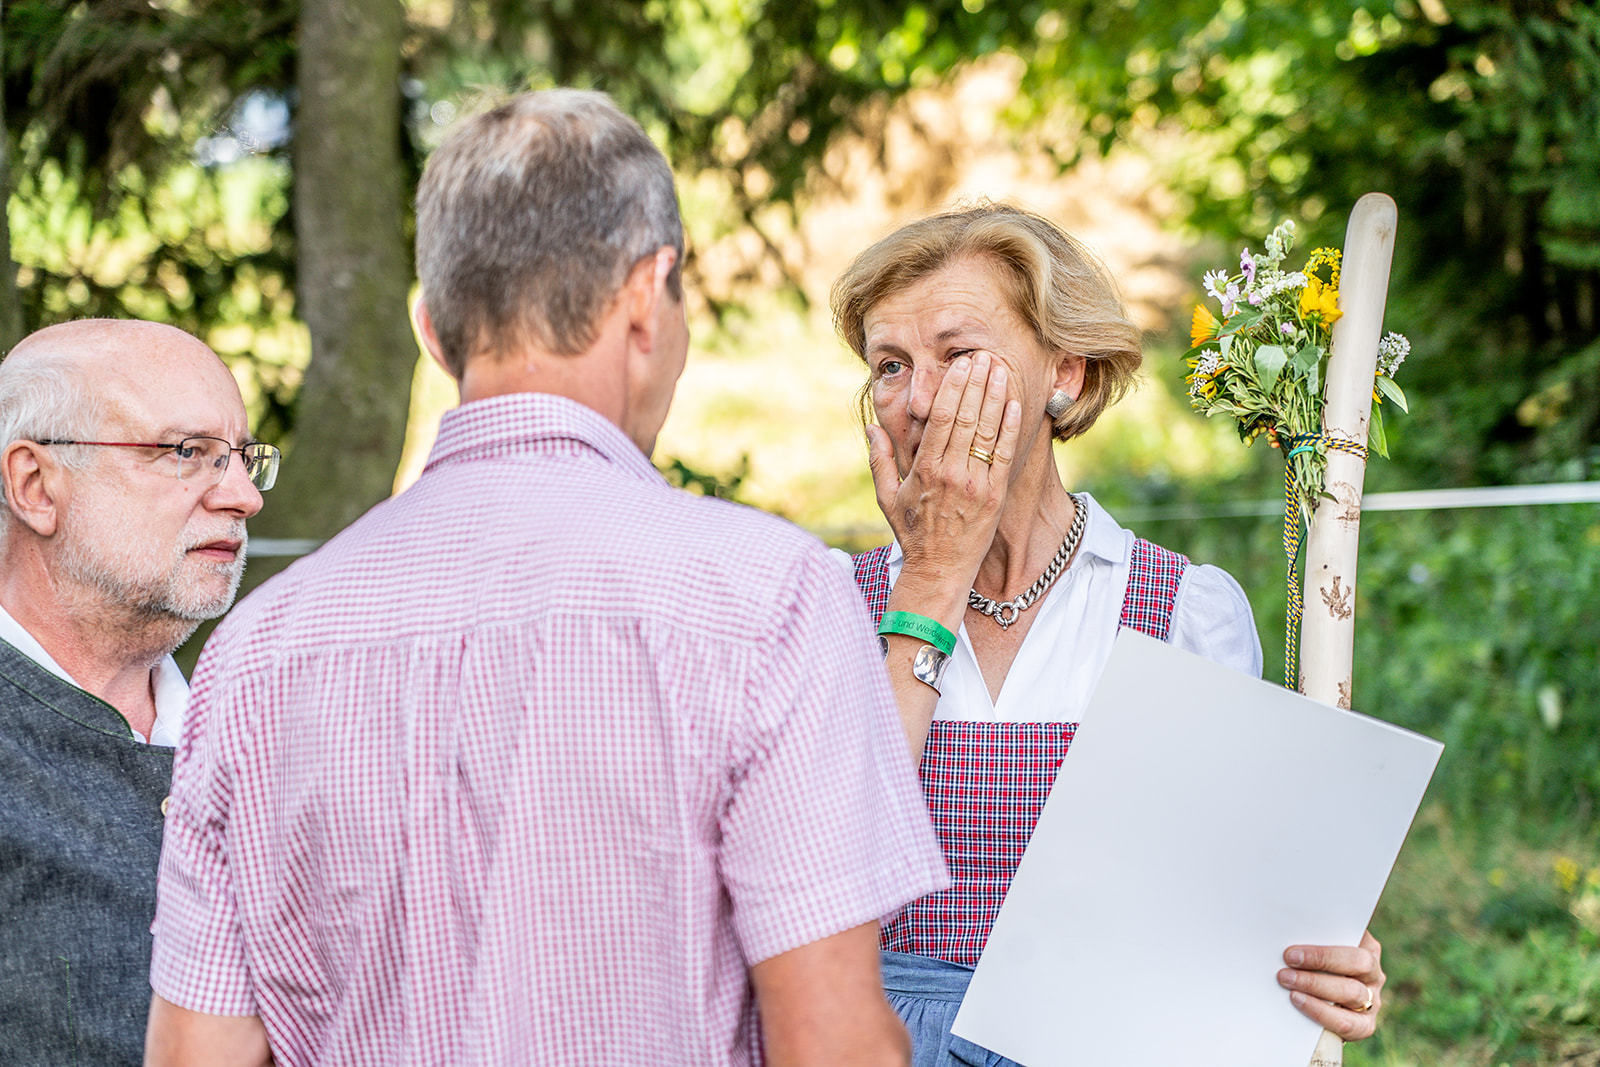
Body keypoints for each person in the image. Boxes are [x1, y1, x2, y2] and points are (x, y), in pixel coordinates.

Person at [145, 88, 947, 1067]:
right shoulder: (769, 597)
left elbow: (195, 1054)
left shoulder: (255, 651)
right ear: (647, 299)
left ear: (433, 332)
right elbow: (835, 1049)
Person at [830, 204, 1387, 1065]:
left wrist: (1315, 971)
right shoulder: (831, 602)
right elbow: (813, 883)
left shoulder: (1182, 612)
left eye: (959, 355)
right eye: (892, 366)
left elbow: (1228, 914)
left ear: (1067, 374)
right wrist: (933, 577)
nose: (920, 400)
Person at [0, 319, 275, 1065]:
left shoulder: (269, 729)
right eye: (187, 453)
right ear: (34, 485)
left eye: (244, 457)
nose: (244, 496)